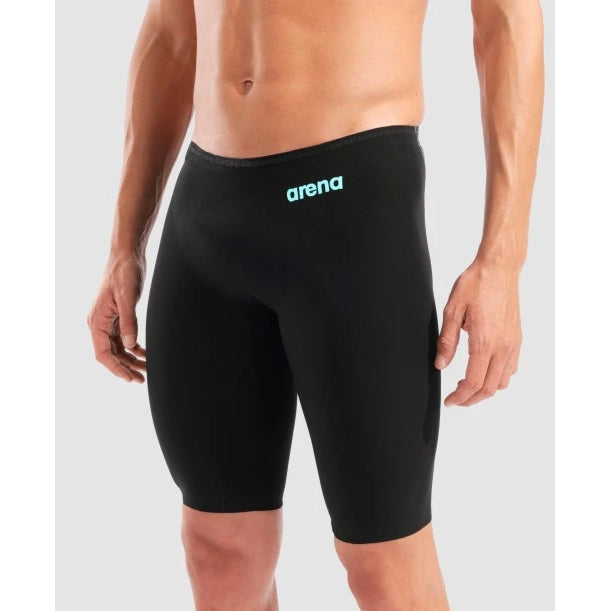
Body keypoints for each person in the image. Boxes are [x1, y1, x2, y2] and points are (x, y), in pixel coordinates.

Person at [87, 0, 543, 608]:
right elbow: (172, 33)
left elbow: (508, 19)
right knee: (220, 550)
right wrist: (124, 246)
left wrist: (503, 260)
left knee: (383, 560)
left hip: (349, 211)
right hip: (206, 218)